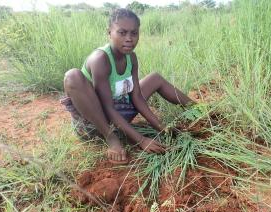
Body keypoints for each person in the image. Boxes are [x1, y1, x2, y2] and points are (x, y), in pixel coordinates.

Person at [61, 8, 194, 164]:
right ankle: (112, 140)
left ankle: (199, 109)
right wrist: (141, 140)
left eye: (134, 33)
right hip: (95, 124)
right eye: (122, 33)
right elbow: (107, 107)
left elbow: (136, 97)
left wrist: (161, 127)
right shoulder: (100, 59)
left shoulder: (131, 57)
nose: (129, 39)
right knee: (73, 76)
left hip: (119, 113)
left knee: (155, 78)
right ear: (109, 32)